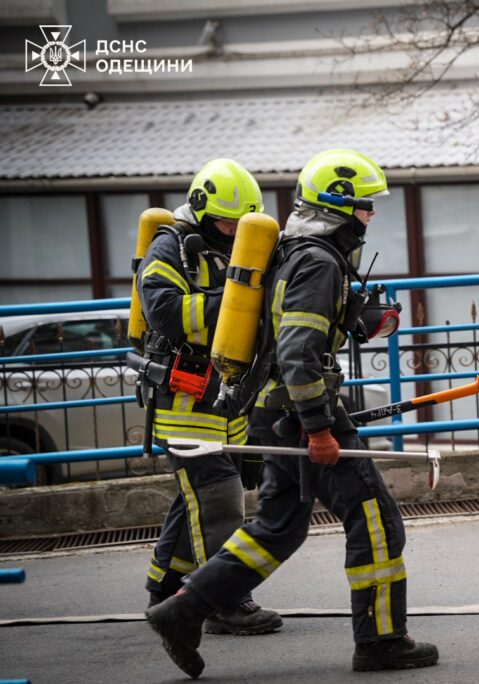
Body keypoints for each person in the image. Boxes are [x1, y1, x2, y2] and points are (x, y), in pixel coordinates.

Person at [145, 149, 439, 679]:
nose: (370, 217)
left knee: (279, 527)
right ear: (340, 207)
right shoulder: (319, 261)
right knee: (375, 519)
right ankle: (380, 641)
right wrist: (320, 427)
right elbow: (300, 349)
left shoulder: (294, 253)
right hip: (303, 408)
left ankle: (182, 610)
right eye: (366, 207)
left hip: (274, 407)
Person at [138, 159, 282, 636]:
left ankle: (164, 589)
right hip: (183, 403)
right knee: (218, 498)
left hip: (228, 404)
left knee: (194, 499)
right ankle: (224, 600)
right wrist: (235, 303)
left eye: (239, 225)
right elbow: (162, 312)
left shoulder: (248, 249)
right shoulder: (170, 249)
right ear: (201, 213)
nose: (231, 232)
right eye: (223, 223)